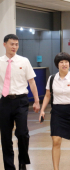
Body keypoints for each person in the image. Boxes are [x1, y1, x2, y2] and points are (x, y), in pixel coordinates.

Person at [39, 52, 70, 170]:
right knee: (56, 140)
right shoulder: (52, 79)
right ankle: (56, 168)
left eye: (66, 62)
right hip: (57, 112)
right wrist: (42, 110)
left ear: (69, 64)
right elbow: (47, 96)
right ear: (57, 65)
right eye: (61, 62)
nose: (64, 64)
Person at [0, 34, 40, 170]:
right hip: (4, 101)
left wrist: (36, 100)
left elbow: (32, 81)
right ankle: (9, 166)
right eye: (12, 44)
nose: (14, 47)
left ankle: (23, 162)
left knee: (22, 133)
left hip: (21, 100)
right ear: (4, 44)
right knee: (5, 136)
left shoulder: (24, 61)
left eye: (16, 44)